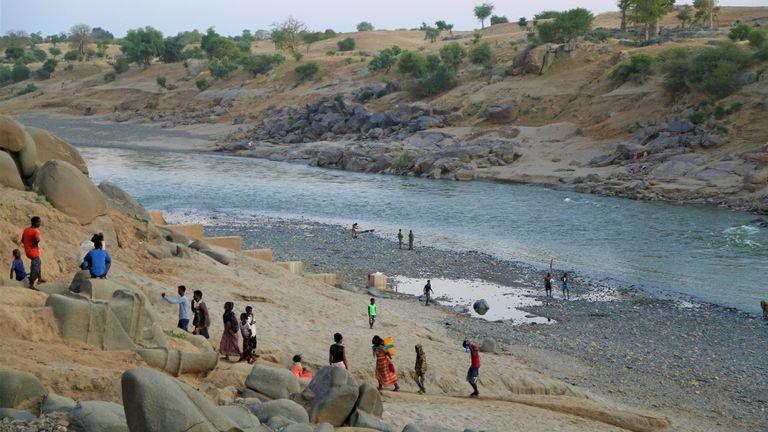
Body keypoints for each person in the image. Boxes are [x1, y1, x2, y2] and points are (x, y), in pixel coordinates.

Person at [21, 216, 45, 289]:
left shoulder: (26, 229)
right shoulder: (35, 231)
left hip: (27, 251)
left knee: (39, 262)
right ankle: (31, 285)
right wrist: (34, 244)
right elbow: (37, 239)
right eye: (39, 222)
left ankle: (39, 278)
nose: (40, 223)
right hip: (33, 252)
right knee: (35, 268)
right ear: (36, 222)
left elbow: (22, 240)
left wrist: (28, 244)